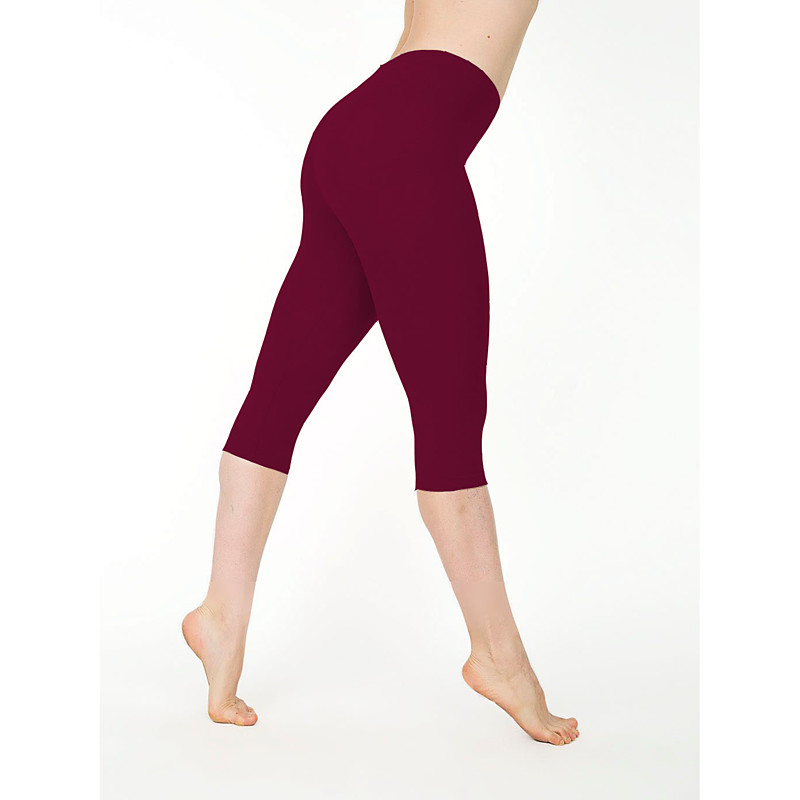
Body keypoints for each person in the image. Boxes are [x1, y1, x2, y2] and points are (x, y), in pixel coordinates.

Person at [183, 0, 579, 745]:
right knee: (450, 427)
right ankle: (498, 658)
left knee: (277, 399)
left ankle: (221, 616)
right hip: (405, 146)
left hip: (354, 130)